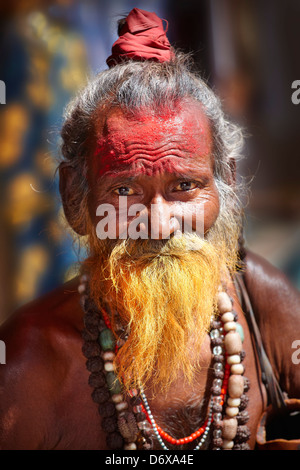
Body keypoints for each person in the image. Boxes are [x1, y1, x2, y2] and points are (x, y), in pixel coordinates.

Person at [0, 8, 299, 451]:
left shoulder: (260, 302)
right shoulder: (27, 365)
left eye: (184, 185)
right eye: (124, 190)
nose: (158, 223)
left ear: (227, 184)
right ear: (73, 195)